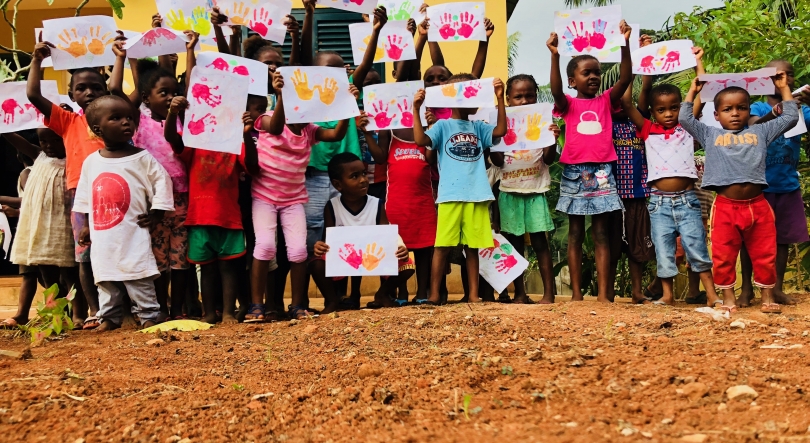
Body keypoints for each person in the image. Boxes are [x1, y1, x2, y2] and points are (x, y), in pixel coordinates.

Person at [679, 71, 799, 314]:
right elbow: (685, 119)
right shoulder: (709, 134)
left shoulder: (761, 131)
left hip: (758, 206)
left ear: (748, 110)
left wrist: (783, 87)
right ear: (716, 115)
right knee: (723, 254)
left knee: (765, 252)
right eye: (727, 109)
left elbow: (790, 117)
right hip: (725, 207)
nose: (735, 113)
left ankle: (767, 298)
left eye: (741, 108)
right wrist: (693, 91)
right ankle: (728, 299)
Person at [246, 71, 352, 321]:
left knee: (298, 251)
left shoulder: (309, 130)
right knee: (265, 246)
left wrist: (347, 106)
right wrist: (281, 95)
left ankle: (297, 305)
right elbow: (276, 127)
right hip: (264, 197)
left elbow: (336, 135)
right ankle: (256, 306)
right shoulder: (266, 118)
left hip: (293, 200)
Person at [620, 47, 721, 308]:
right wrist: (633, 65)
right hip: (658, 203)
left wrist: (698, 61)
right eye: (661, 109)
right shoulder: (646, 129)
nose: (668, 114)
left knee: (696, 247)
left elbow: (702, 92)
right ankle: (667, 295)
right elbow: (627, 103)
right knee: (664, 249)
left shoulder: (687, 127)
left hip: (687, 201)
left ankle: (712, 295)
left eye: (674, 108)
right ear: (652, 111)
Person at [27, 35, 114, 328]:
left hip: (115, 193)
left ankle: (119, 308)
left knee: (115, 249)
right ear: (71, 94)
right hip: (81, 195)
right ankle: (95, 311)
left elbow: (120, 91)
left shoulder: (115, 120)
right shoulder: (68, 122)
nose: (89, 92)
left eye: (96, 87)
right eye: (81, 88)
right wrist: (37, 60)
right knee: (84, 254)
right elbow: (33, 95)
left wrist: (121, 57)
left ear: (105, 90)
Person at [110, 32, 197, 321]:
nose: (171, 97)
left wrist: (189, 50)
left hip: (182, 198)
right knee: (158, 259)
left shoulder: (183, 118)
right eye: (164, 93)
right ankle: (159, 309)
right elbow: (115, 91)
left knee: (180, 258)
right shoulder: (137, 119)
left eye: (174, 92)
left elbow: (193, 83)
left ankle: (178, 310)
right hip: (152, 202)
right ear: (146, 98)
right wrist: (122, 57)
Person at [546, 22, 634, 303]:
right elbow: (556, 91)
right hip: (574, 172)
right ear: (572, 81)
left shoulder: (607, 100)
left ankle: (604, 295)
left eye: (597, 72)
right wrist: (555, 56)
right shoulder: (568, 105)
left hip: (602, 172)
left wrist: (625, 43)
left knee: (601, 233)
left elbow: (625, 78)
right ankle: (576, 295)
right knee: (574, 233)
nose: (594, 76)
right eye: (587, 73)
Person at [73, 95, 174, 331]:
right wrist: (86, 225)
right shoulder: (91, 162)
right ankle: (109, 317)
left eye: (129, 117)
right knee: (105, 276)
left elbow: (162, 182)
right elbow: (86, 194)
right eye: (116, 118)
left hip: (133, 230)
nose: (126, 122)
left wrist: (157, 213)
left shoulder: (142, 158)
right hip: (103, 233)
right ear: (97, 129)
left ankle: (149, 314)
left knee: (139, 273)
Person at [412, 74, 507, 304]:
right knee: (442, 246)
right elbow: (420, 141)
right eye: (472, 94)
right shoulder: (442, 126)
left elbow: (501, 131)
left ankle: (473, 294)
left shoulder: (478, 127)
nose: (476, 100)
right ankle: (434, 294)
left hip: (477, 195)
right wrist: (416, 109)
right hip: (450, 196)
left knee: (472, 248)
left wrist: (500, 98)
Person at [164, 95, 259, 324]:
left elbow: (252, 166)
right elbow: (171, 138)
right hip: (199, 218)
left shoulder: (235, 145)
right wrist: (172, 113)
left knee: (228, 268)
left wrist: (246, 134)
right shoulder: (195, 144)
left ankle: (227, 312)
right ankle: (208, 313)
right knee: (206, 270)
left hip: (228, 218)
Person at [739, 59, 810, 307]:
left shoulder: (802, 111)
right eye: (777, 75)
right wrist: (778, 110)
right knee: (750, 240)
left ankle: (776, 288)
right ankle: (746, 288)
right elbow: (752, 127)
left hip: (787, 186)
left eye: (789, 74)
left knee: (782, 240)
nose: (784, 79)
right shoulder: (757, 107)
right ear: (764, 80)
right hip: (758, 186)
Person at [310, 153, 413, 313]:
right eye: (354, 176)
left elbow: (387, 235)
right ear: (338, 185)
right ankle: (332, 301)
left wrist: (400, 246)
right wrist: (320, 246)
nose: (363, 180)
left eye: (364, 173)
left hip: (372, 258)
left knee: (407, 265)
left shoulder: (377, 204)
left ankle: (382, 294)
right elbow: (328, 242)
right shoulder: (332, 206)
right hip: (346, 258)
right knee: (316, 263)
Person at [488, 74, 557, 304]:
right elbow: (498, 162)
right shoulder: (501, 124)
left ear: (536, 96)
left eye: (530, 95)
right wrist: (494, 142)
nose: (525, 101)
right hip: (509, 192)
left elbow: (549, 159)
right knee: (514, 246)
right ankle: (520, 293)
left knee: (540, 244)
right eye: (518, 97)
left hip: (535, 192)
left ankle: (548, 295)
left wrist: (552, 139)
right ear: (508, 99)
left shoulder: (542, 123)